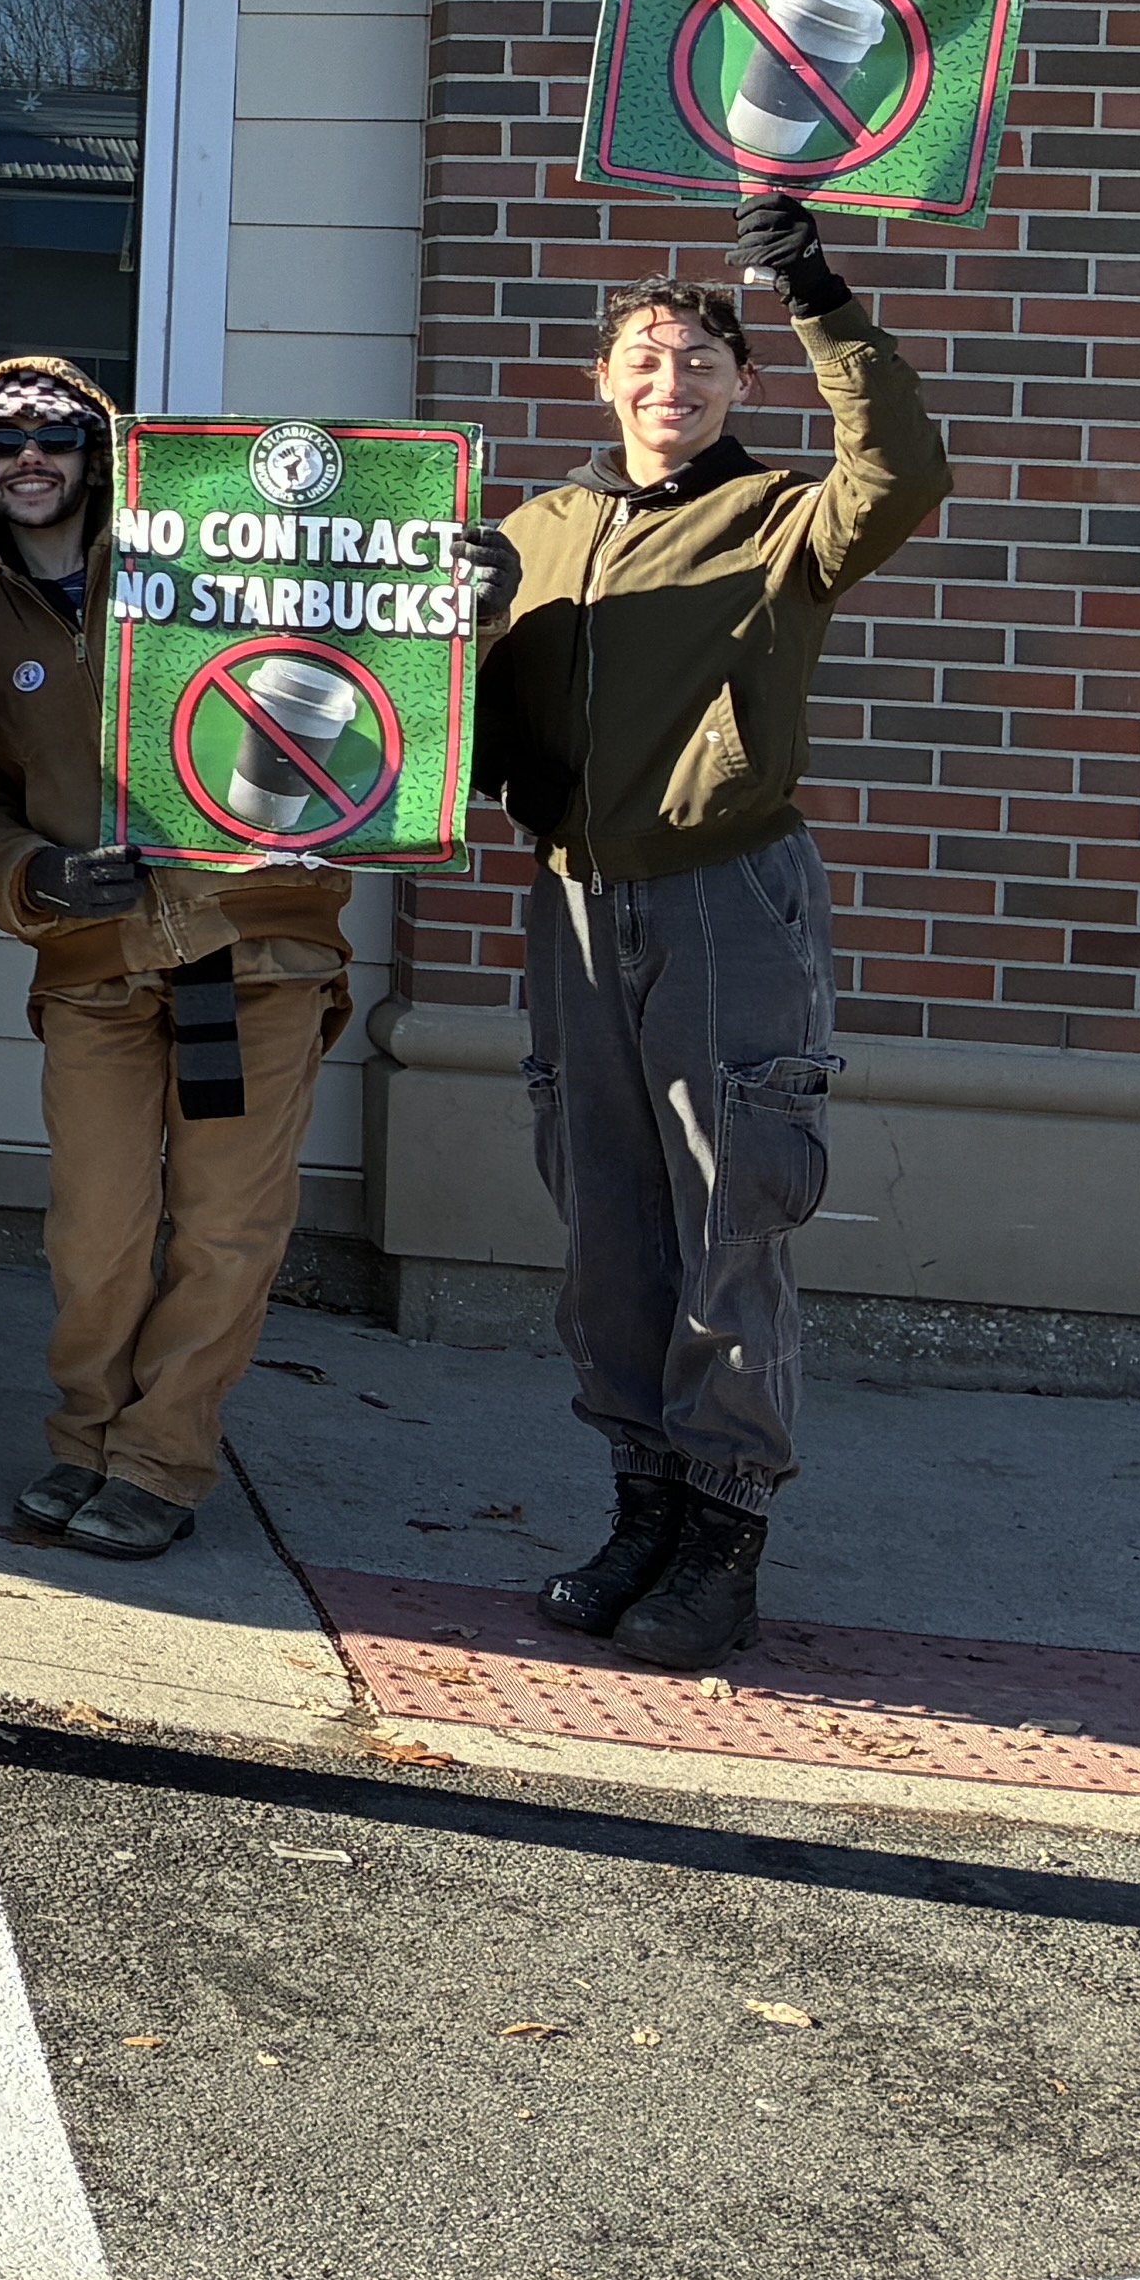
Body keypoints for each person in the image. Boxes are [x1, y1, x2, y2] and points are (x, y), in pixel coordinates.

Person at [472, 199, 949, 1673]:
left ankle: (724, 1536)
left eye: (700, 361)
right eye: (646, 357)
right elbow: (466, 722)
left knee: (731, 1202)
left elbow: (905, 471)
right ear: (603, 382)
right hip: (569, 896)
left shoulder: (781, 518)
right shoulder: (534, 531)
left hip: (724, 890)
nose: (670, 381)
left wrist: (817, 296)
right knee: (609, 1209)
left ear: (740, 386)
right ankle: (642, 1510)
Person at [0, 360, 359, 1564]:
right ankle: (88, 1439)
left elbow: (378, 642)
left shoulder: (214, 566)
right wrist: (28, 878)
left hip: (254, 946)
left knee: (227, 1227)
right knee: (97, 1231)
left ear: (96, 453)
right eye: (4, 441)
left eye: (58, 434)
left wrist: (471, 592)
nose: (32, 458)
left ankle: (163, 1460)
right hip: (95, 966)